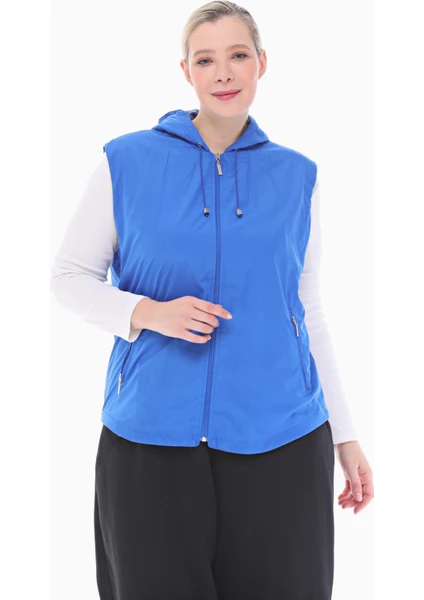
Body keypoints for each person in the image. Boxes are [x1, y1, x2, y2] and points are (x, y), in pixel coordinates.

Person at [50, 1, 374, 598]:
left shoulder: (297, 175)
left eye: (238, 55)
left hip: (283, 439)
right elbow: (68, 276)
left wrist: (345, 435)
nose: (223, 73)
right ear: (186, 72)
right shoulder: (127, 161)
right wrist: (148, 313)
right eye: (205, 60)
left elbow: (306, 306)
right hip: (150, 441)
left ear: (261, 64)